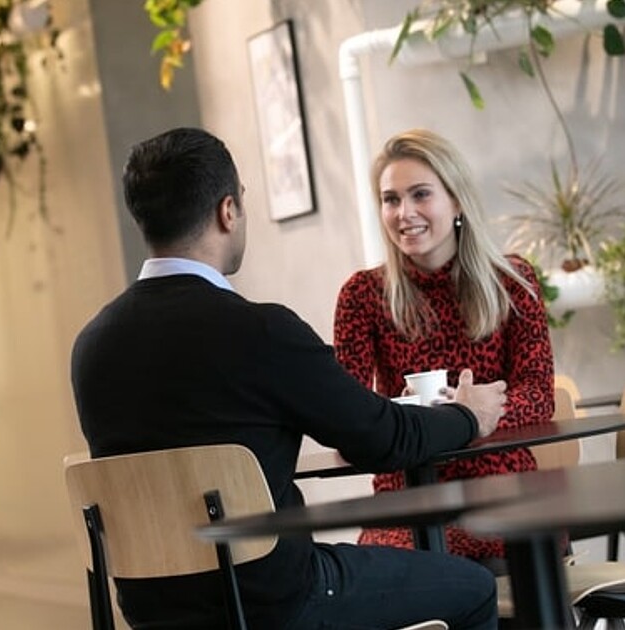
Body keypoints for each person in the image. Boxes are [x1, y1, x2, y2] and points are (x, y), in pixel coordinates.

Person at [71, 127, 506, 630]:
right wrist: (467, 415)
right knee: (472, 590)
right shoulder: (261, 332)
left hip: (152, 610)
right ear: (227, 210)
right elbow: (382, 439)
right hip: (274, 600)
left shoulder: (91, 347)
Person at [334, 128, 556, 571]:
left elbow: (539, 395)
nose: (404, 213)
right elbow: (347, 422)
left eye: (420, 195)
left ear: (456, 201)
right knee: (375, 573)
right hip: (408, 501)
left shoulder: (511, 281)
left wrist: (472, 414)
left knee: (484, 559)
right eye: (391, 199)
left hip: (503, 489)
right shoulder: (362, 296)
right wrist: (454, 417)